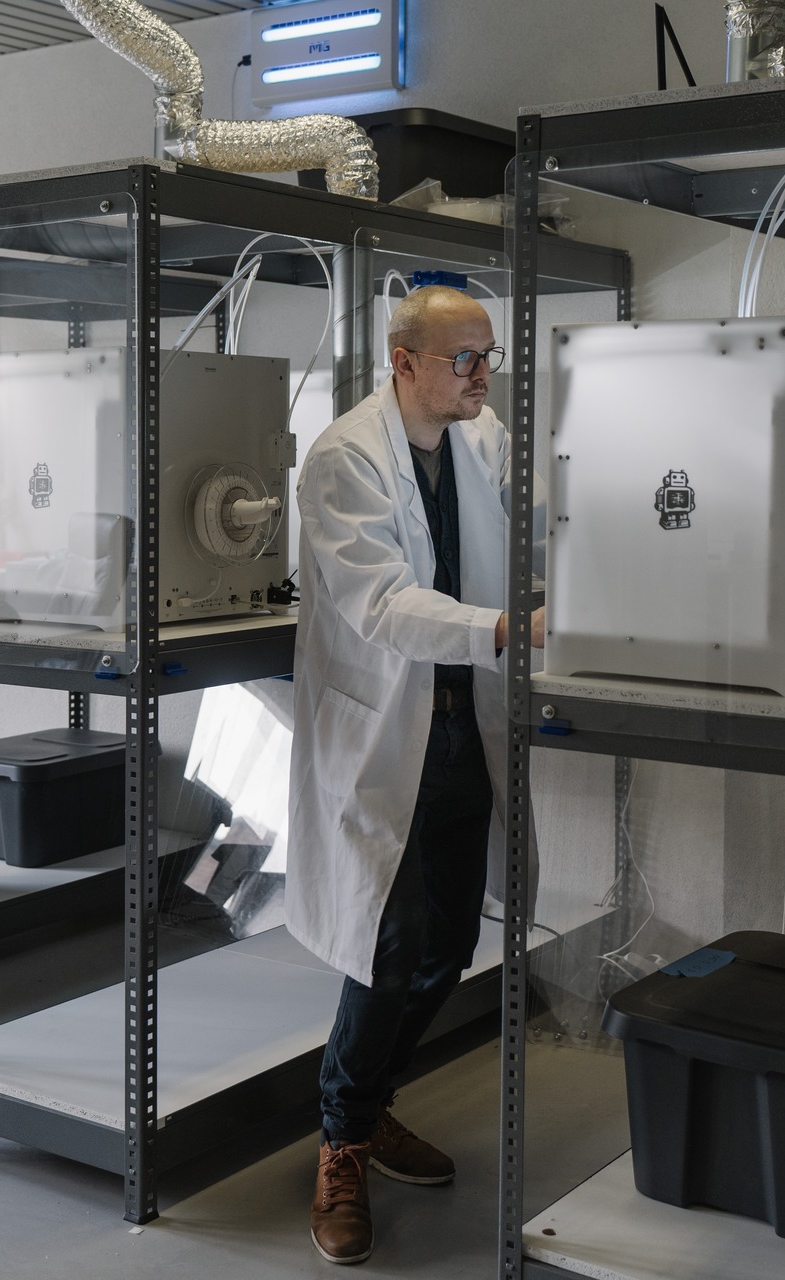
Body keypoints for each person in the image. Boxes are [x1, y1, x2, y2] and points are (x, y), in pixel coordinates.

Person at [286, 285, 544, 1265]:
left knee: (451, 940)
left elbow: (534, 521)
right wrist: (503, 628)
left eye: (487, 355)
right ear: (405, 362)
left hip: (458, 725)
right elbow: (384, 603)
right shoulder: (344, 458)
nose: (483, 374)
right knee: (384, 946)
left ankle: (373, 1102)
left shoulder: (478, 440)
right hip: (380, 734)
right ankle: (341, 1143)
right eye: (464, 358)